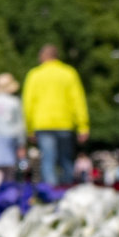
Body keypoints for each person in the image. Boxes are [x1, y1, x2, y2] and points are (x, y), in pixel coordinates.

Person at [22, 44, 89, 187]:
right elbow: (78, 100)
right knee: (66, 160)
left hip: (43, 124)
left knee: (48, 161)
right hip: (65, 123)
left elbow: (28, 104)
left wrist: (29, 128)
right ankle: (68, 191)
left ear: (43, 56)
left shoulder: (35, 75)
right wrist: (83, 126)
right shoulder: (69, 73)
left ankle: (52, 194)